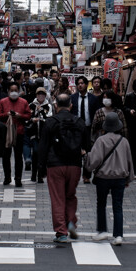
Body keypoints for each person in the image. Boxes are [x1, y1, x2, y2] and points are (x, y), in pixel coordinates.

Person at [37, 93, 85, 243]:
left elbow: (43, 147)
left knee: (58, 198)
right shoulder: (79, 122)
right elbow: (87, 146)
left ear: (55, 106)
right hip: (75, 165)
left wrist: (41, 168)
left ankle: (61, 232)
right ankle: (71, 221)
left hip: (55, 164)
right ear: (71, 106)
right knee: (70, 195)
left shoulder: (50, 122)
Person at [89, 112, 132, 246]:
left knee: (101, 203)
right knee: (117, 206)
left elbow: (95, 160)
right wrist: (128, 178)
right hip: (120, 177)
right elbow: (129, 160)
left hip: (103, 176)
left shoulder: (101, 140)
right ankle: (118, 235)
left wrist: (88, 166)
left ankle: (102, 231)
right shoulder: (123, 141)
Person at [0, 82, 30, 187]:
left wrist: (20, 116)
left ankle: (18, 178)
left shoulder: (24, 102)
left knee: (18, 157)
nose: (14, 92)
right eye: (12, 90)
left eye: (16, 90)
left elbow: (28, 115)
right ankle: (7, 177)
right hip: (6, 132)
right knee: (6, 156)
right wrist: (7, 114)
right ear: (8, 91)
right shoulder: (3, 101)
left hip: (19, 131)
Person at [71, 76, 100, 183]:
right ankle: (75, 174)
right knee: (75, 152)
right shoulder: (73, 98)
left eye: (82, 83)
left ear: (87, 85)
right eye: (78, 83)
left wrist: (96, 128)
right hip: (76, 129)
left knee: (89, 153)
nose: (80, 85)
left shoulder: (93, 99)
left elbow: (97, 114)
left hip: (89, 128)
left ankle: (87, 175)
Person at [27, 87, 53, 183]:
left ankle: (40, 174)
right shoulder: (31, 105)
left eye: (42, 94)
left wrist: (41, 112)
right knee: (36, 152)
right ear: (36, 95)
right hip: (34, 133)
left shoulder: (48, 106)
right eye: (39, 94)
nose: (40, 96)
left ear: (45, 95)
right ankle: (34, 174)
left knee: (42, 154)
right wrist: (32, 119)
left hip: (44, 134)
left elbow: (49, 119)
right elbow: (27, 118)